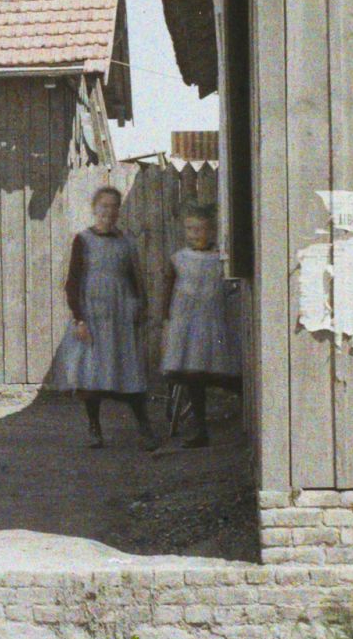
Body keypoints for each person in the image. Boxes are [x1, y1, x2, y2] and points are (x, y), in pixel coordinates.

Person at [53, 184, 159, 450]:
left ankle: (144, 428)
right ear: (94, 209)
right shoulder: (83, 240)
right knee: (92, 375)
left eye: (114, 207)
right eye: (103, 207)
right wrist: (79, 319)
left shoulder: (126, 242)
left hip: (121, 318)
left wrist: (139, 307)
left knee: (130, 373)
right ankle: (94, 428)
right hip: (93, 317)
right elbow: (72, 282)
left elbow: (134, 280)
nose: (108, 212)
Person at [158, 201, 241, 448]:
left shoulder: (219, 260)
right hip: (185, 325)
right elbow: (168, 290)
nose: (195, 235)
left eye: (200, 229)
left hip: (211, 325)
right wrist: (166, 320)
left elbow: (230, 290)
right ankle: (200, 430)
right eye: (190, 229)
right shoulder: (179, 259)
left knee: (220, 374)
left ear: (212, 231)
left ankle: (252, 407)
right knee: (192, 376)